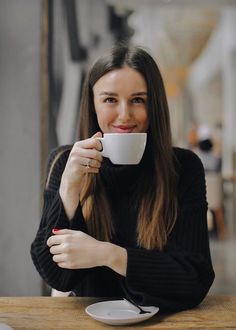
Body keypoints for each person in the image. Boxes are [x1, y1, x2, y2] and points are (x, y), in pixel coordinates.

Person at [31, 44, 215, 312]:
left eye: (138, 99)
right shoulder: (65, 162)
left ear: (154, 106)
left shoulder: (183, 167)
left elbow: (194, 278)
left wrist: (108, 254)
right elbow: (56, 276)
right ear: (93, 105)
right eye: (110, 99)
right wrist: (69, 190)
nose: (124, 115)